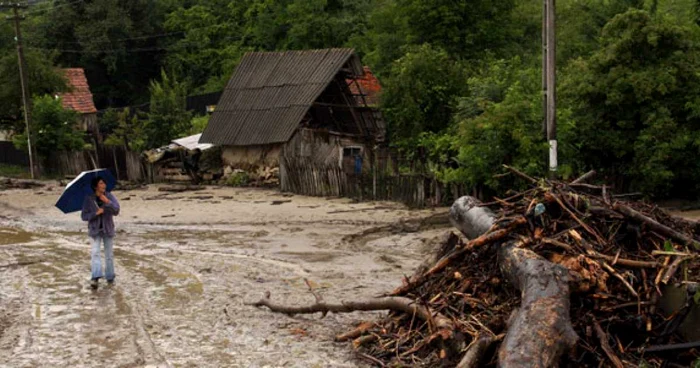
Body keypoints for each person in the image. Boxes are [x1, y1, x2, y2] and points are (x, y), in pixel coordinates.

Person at [81, 176, 120, 289]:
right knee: (95, 253)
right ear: (95, 186)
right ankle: (96, 277)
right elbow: (84, 216)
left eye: (104, 183)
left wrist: (107, 202)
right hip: (95, 230)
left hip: (108, 229)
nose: (104, 185)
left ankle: (110, 277)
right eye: (101, 183)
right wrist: (95, 213)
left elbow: (116, 210)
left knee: (109, 255)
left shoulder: (109, 196)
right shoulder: (89, 199)